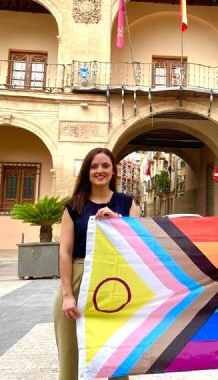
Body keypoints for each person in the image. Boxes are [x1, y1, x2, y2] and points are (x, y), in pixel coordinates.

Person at [54, 147, 139, 380]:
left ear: (113, 171)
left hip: (114, 281)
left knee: (116, 351)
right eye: (94, 166)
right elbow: (65, 251)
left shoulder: (127, 203)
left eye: (105, 166)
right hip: (78, 276)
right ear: (86, 172)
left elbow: (139, 245)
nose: (99, 170)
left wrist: (118, 221)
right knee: (69, 349)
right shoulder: (73, 206)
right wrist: (67, 294)